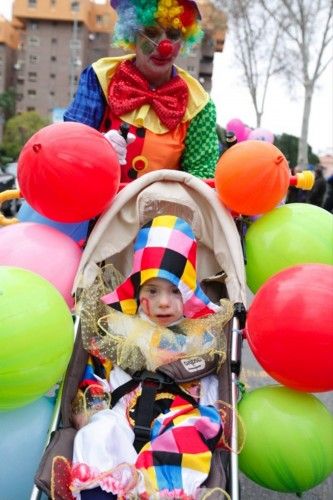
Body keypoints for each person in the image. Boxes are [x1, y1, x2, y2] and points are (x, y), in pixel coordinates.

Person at [52, 215, 233, 499]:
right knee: (97, 434)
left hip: (178, 409)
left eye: (175, 291)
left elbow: (210, 383)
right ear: (137, 292)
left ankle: (160, 491)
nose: (163, 302)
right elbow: (98, 371)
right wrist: (91, 403)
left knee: (193, 431)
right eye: (152, 290)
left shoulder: (201, 334)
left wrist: (211, 404)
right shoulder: (120, 327)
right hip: (122, 408)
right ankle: (101, 490)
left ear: (189, 292)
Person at [64, 0, 219, 181]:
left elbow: (202, 177)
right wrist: (97, 146)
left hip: (165, 208)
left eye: (173, 34)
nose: (163, 47)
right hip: (98, 203)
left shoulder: (199, 103)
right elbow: (67, 146)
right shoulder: (100, 76)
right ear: (132, 35)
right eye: (151, 33)